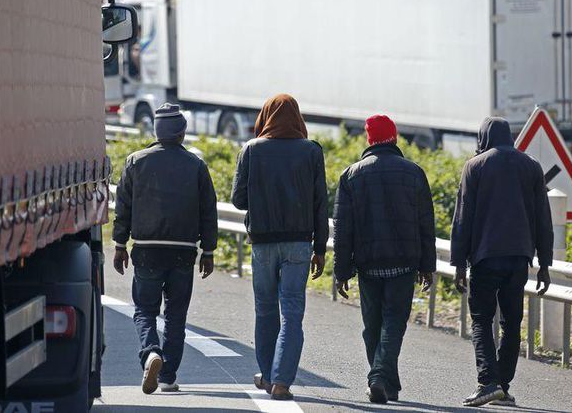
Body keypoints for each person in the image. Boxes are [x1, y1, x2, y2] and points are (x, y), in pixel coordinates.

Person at [113, 103, 218, 395]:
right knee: (176, 315)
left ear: (156, 131)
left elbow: (123, 207)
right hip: (183, 251)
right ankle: (168, 376)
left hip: (146, 249)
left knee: (145, 310)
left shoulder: (136, 161)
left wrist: (120, 245)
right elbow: (209, 211)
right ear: (182, 132)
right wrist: (208, 250)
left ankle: (150, 353)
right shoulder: (196, 165)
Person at [231, 94, 328, 401]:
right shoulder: (311, 151)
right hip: (299, 245)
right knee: (292, 313)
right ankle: (281, 382)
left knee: (265, 310)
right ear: (298, 118)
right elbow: (320, 203)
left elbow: (238, 199)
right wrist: (321, 248)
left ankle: (269, 375)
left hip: (262, 244)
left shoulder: (251, 150)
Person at [333, 115, 436, 404]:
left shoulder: (351, 175)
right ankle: (381, 378)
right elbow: (426, 224)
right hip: (404, 263)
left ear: (368, 139)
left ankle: (382, 380)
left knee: (372, 325)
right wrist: (427, 266)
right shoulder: (414, 173)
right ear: (395, 137)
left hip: (368, 264)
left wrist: (341, 271)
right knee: (393, 323)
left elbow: (343, 229)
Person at [451, 117, 553, 407]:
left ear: (484, 136)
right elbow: (543, 219)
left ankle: (488, 382)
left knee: (482, 320)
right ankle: (503, 386)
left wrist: (459, 262)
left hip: (485, 257)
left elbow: (463, 217)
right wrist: (544, 263)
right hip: (519, 257)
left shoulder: (475, 166)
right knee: (512, 322)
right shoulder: (531, 166)